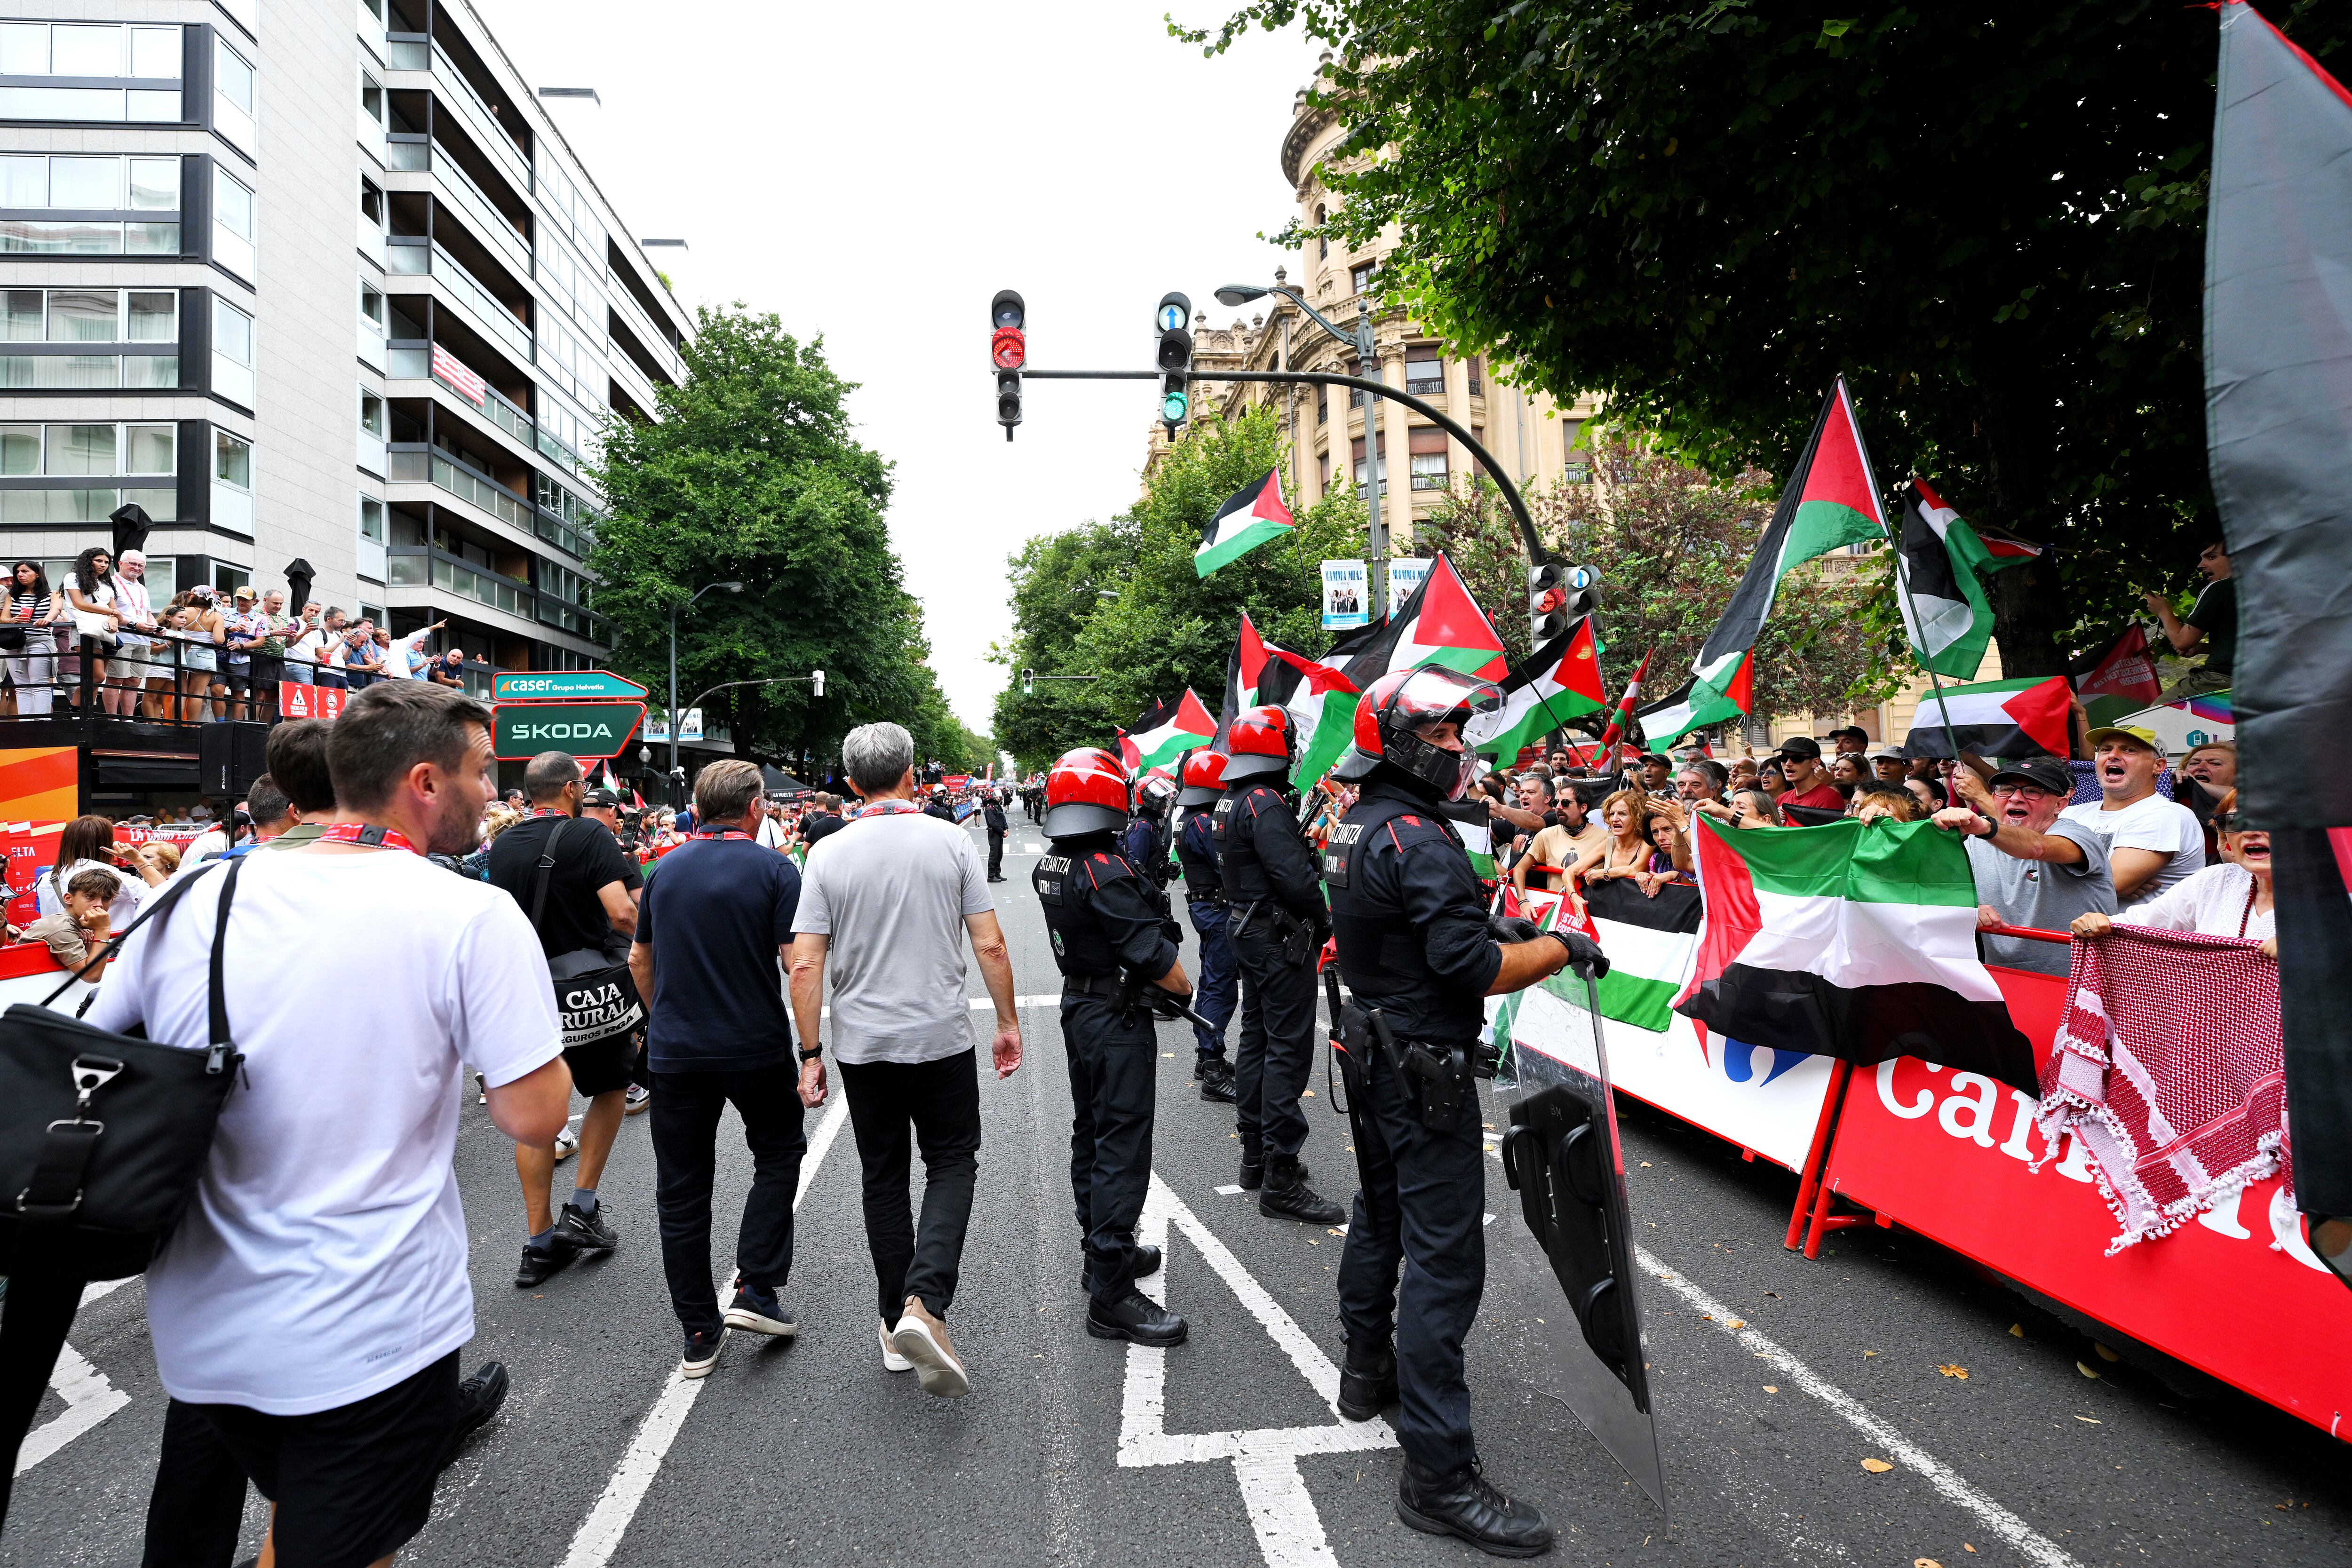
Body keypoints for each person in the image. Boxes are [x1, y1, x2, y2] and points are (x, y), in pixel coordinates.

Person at [93, 681, 563, 1568]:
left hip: (204, 1332)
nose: (493, 793)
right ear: (424, 781)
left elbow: (102, 1047)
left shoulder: (200, 893)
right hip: (370, 1333)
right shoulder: (467, 911)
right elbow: (531, 1114)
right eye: (481, 771)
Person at [1323, 667, 1608, 1558]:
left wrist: (1502, 933)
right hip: (1419, 1064)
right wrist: (1560, 945)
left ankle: (1367, 1368)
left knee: (1380, 1212)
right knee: (1446, 1258)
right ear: (1405, 743)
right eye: (1446, 735)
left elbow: (1417, 934)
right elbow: (1469, 971)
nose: (1461, 748)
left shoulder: (1360, 821)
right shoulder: (1421, 835)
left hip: (1370, 1050)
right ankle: (1438, 1475)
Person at [788, 721, 1019, 1399]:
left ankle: (896, 1320)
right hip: (941, 1036)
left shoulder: (828, 853)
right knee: (952, 1161)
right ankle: (929, 1302)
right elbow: (992, 945)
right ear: (913, 774)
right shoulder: (951, 841)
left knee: (882, 1175)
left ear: (853, 783)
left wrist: (810, 1053)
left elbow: (805, 961)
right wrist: (1006, 1021)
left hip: (865, 1044)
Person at [624, 759, 809, 1377]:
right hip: (753, 1044)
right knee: (779, 1152)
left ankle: (699, 1330)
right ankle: (756, 1283)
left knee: (681, 1190)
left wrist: (663, 1015)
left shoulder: (663, 870)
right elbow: (796, 963)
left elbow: (638, 959)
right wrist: (810, 1048)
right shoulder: (775, 869)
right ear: (755, 807)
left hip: (677, 1050)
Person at [1032, 746, 1191, 1347]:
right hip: (1115, 1014)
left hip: (1081, 1005)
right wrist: (1183, 986)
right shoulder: (1103, 868)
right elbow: (1159, 961)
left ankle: (1097, 1254)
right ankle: (1111, 1293)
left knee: (1092, 1132)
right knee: (1121, 1143)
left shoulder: (1053, 862)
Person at [486, 752, 642, 1288]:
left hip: (529, 993)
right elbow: (622, 911)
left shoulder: (502, 844)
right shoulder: (589, 836)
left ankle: (539, 1242)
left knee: (537, 1116)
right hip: (589, 994)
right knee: (612, 1086)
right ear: (573, 790)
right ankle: (582, 1203)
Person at [1213, 705, 1345, 1226]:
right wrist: (1324, 916)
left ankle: (1255, 1155)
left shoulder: (1233, 798)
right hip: (1275, 934)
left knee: (1257, 1038)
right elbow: (1292, 877)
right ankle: (1281, 1175)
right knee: (1287, 1048)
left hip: (1248, 929)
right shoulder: (1265, 802)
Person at [1929, 756, 2114, 978]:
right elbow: (1931, 888)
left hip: (2079, 984)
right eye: (2005, 789)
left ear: (2060, 804)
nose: (2016, 798)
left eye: (2033, 791)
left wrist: (1985, 827)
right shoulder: (1976, 842)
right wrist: (1968, 907)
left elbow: (2038, 847)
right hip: (2002, 979)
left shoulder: (2078, 836)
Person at [2072, 788, 2276, 956]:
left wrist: (2307, 955)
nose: (2250, 832)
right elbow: (2139, 925)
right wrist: (2099, 923)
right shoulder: (2214, 881)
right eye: (2234, 821)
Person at [2058, 726, 2205, 911]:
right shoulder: (2069, 813)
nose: (2113, 755)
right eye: (2106, 749)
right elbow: (2021, 868)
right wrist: (2100, 885)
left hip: (2135, 939)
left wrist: (2109, 887)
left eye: (2129, 750)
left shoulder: (2166, 815)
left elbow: (2113, 884)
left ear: (2158, 766)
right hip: (2073, 935)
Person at [1172, 749, 1240, 1102]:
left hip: (1205, 907)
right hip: (1217, 908)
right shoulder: (1203, 822)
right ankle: (1212, 1066)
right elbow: (1226, 863)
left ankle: (1206, 1058)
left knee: (1211, 980)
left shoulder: (1187, 817)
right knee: (1219, 986)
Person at [2145, 540, 2235, 701]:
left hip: (2221, 681)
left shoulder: (2219, 588)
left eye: (2211, 557)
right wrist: (2202, 648)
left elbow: (2182, 642)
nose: (2201, 565)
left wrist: (2163, 611)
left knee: (2152, 717)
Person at [1562, 789, 1653, 912]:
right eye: (1612, 814)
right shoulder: (1609, 843)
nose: (1615, 819)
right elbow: (1569, 871)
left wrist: (1601, 874)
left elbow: (1634, 869)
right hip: (1612, 912)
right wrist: (1574, 897)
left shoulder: (1648, 842)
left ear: (1637, 817)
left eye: (1622, 814)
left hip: (1640, 912)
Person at [1510, 785, 1604, 896]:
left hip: (1589, 907)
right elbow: (1519, 869)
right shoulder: (1546, 835)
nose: (1558, 807)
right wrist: (1523, 900)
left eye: (1565, 803)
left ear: (1582, 808)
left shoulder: (1604, 838)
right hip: (1556, 907)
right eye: (1555, 803)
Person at [19, 864, 118, 970]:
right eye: (90, 896)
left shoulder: (82, 925)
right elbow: (92, 976)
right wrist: (103, 930)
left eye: (107, 898)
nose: (99, 904)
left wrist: (89, 944)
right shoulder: (61, 928)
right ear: (68, 899)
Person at [5, 560, 64, 716]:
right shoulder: (13, 596)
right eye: (18, 572)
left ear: (37, 574)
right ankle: (26, 724)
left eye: (25, 572)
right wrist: (13, 620)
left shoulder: (54, 594)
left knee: (40, 683)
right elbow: (4, 617)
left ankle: (41, 723)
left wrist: (47, 619)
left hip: (39, 640)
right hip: (15, 643)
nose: (20, 575)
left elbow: (56, 609)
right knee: (21, 685)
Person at [1772, 736, 1845, 815]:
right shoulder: (1781, 799)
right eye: (1783, 758)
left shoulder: (1829, 798)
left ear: (1815, 763)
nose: (1788, 764)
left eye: (1797, 758)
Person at [981, 785, 1009, 882]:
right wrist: (1002, 832)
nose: (999, 798)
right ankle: (991, 875)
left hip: (1000, 833)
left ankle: (997, 873)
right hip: (994, 833)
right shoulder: (990, 808)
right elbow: (993, 823)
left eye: (1000, 797)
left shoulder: (997, 807)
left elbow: (1003, 818)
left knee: (999, 854)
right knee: (994, 855)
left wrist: (1006, 828)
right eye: (997, 797)